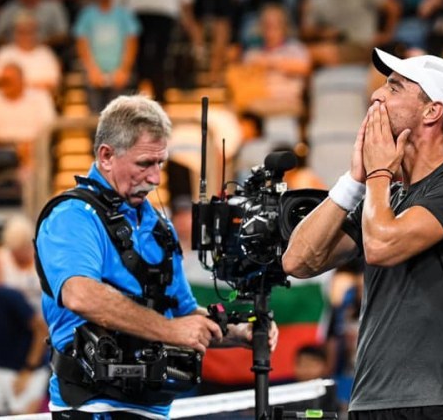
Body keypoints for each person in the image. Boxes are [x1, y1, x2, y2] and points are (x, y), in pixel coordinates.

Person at [283, 48, 443, 418]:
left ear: (432, 111)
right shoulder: (384, 195)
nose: (377, 95)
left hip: (438, 401)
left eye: (395, 88)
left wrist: (378, 174)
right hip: (371, 400)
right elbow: (297, 261)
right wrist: (353, 181)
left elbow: (381, 244)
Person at [35, 95, 277, 418]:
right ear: (106, 156)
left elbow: (185, 314)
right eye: (144, 164)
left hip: (154, 409)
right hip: (92, 407)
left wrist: (238, 332)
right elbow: (81, 295)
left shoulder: (159, 227)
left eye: (160, 163)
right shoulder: (72, 217)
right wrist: (170, 330)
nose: (156, 178)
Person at [0, 273, 50, 415]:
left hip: (28, 366)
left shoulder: (8, 297)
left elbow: (41, 331)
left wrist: (28, 369)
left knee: (22, 415)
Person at [73, 0, 140, 113]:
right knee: (95, 119)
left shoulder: (124, 14)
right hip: (94, 75)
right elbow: (82, 43)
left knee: (120, 120)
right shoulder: (87, 15)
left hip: (119, 76)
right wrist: (92, 69)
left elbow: (131, 42)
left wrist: (123, 70)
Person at [0, 12, 62, 94]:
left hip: (39, 100)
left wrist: (20, 86)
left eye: (29, 32)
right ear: (15, 33)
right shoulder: (4, 52)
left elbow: (52, 84)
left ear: (36, 32)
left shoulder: (46, 53)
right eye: (21, 32)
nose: (25, 36)